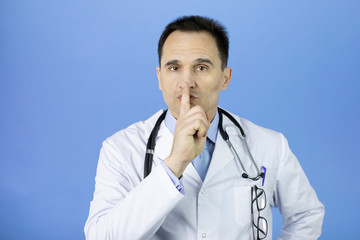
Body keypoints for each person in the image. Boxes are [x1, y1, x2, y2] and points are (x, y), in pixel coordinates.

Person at [84, 16, 324, 240]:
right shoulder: (120, 149)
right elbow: (100, 236)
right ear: (159, 78)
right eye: (174, 68)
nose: (186, 82)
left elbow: (306, 215)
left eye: (201, 67)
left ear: (225, 78)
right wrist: (174, 163)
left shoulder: (270, 145)